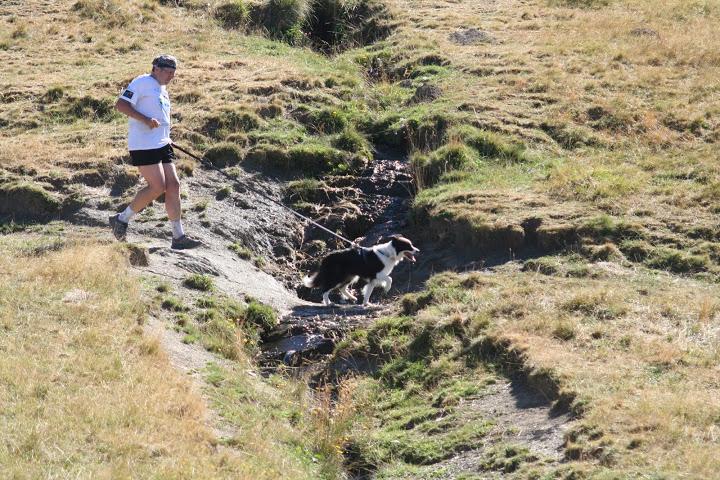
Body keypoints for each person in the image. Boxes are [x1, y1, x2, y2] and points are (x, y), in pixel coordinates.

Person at [109, 54, 201, 250]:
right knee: (157, 187)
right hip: (143, 144)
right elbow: (121, 105)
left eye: (173, 73)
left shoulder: (162, 89)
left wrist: (166, 135)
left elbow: (159, 116)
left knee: (174, 185)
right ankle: (121, 219)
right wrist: (145, 120)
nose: (170, 76)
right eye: (167, 72)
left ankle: (178, 236)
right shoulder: (142, 82)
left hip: (162, 143)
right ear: (155, 68)